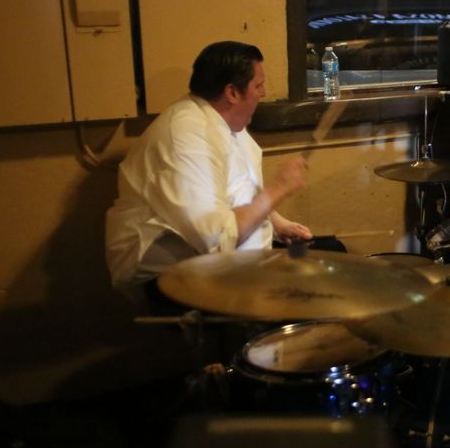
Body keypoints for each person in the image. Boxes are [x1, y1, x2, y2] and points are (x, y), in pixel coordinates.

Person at [105, 41, 313, 304]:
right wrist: (278, 189)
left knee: (326, 256)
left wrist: (276, 222)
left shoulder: (224, 121)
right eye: (258, 85)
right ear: (232, 93)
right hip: (172, 275)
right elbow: (217, 238)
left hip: (232, 260)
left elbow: (238, 188)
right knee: (310, 295)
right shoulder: (185, 139)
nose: (264, 93)